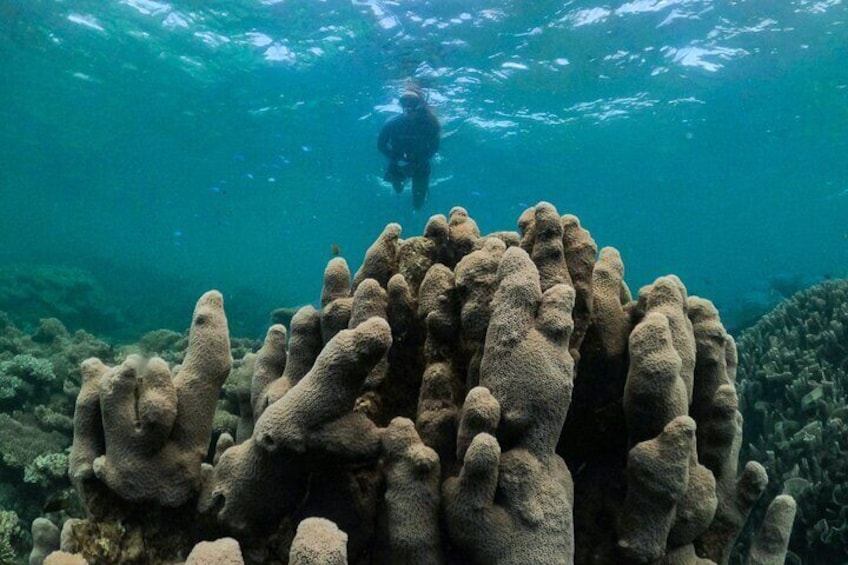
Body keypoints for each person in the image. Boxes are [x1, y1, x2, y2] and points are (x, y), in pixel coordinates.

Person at [377, 88, 441, 210]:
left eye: (413, 102)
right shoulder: (392, 123)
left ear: (420, 105)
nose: (408, 106)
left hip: (420, 165)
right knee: (398, 189)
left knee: (418, 203)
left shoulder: (430, 123)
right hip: (398, 163)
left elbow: (434, 147)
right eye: (404, 102)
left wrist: (417, 163)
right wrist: (397, 160)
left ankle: (417, 212)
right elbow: (381, 145)